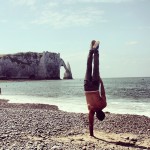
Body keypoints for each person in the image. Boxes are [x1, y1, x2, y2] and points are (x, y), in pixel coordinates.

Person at [84, 40, 107, 136]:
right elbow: (90, 123)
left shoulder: (103, 105)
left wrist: (101, 82)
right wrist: (91, 134)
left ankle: (95, 50)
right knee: (88, 67)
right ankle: (90, 50)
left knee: (96, 66)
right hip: (86, 88)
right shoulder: (91, 110)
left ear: (103, 112)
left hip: (95, 86)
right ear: (97, 116)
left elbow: (103, 92)